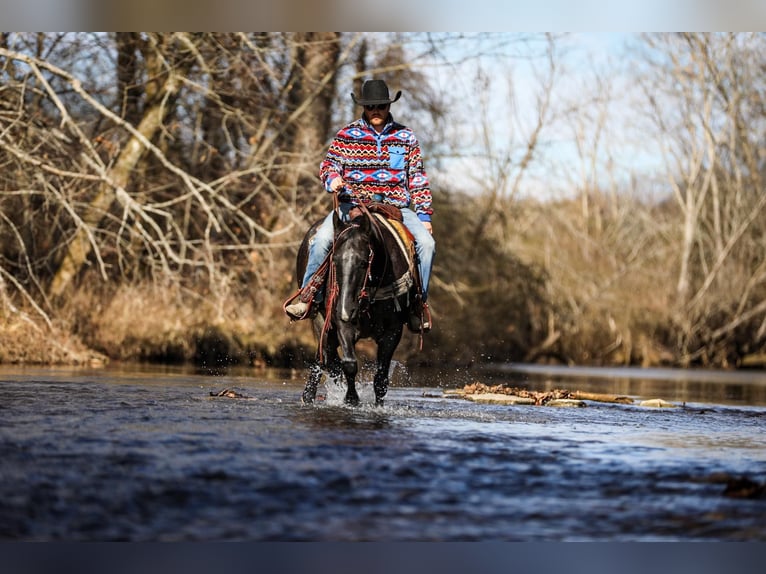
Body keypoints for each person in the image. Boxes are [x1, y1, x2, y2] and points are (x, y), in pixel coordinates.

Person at [286, 79, 435, 331]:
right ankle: (308, 297)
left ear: (389, 106)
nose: (375, 110)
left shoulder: (405, 136)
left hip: (394, 209)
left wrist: (424, 216)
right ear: (363, 108)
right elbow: (328, 165)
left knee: (428, 245)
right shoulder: (346, 135)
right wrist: (333, 179)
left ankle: (417, 305)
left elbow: (417, 176)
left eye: (380, 106)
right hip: (351, 206)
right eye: (370, 106)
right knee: (321, 240)